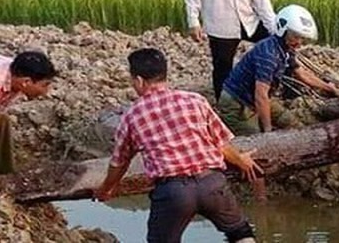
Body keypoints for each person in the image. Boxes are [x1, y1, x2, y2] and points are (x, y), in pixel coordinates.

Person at [94, 48, 262, 243]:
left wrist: (107, 188)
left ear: (139, 80)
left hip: (173, 192)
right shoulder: (195, 100)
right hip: (211, 183)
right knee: (240, 232)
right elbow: (220, 143)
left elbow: (119, 163)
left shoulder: (132, 116)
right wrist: (241, 160)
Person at [218, 4, 339, 201]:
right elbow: (260, 95)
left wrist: (331, 88)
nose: (299, 41)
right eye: (295, 36)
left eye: (301, 38)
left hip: (257, 99)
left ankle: (294, 168)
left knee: (293, 124)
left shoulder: (286, 49)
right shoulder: (268, 54)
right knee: (257, 150)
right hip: (237, 103)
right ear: (282, 30)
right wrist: (268, 131)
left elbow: (301, 73)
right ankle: (261, 201)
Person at [0, 51, 57, 174]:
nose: (46, 92)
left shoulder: (15, 75)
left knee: (2, 121)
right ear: (27, 82)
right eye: (44, 85)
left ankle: (5, 174)